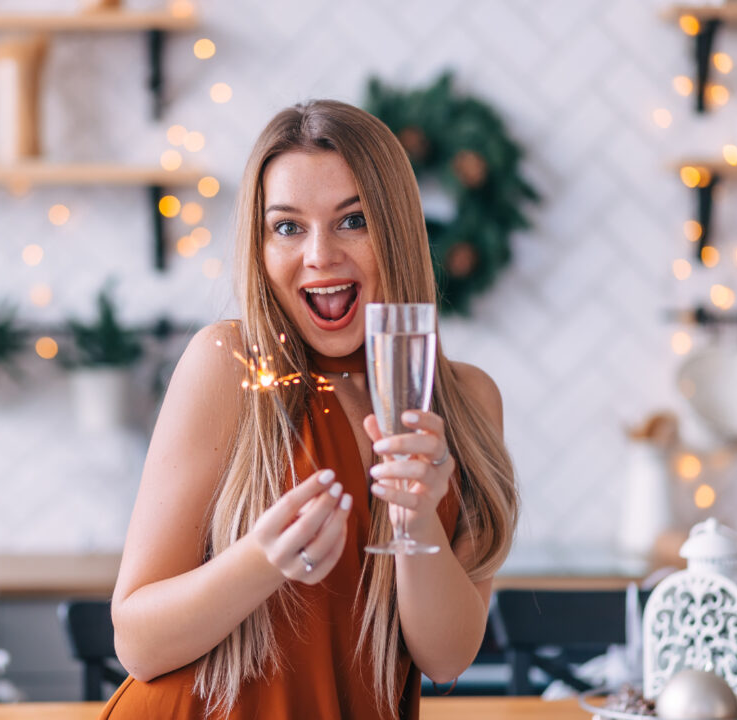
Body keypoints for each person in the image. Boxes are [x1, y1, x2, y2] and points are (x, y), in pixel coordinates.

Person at [99, 99, 518, 720]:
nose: (319, 255)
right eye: (288, 227)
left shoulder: (464, 404)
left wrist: (419, 517)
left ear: (395, 230)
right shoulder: (229, 365)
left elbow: (446, 657)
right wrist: (263, 560)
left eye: (352, 221)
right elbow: (136, 641)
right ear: (261, 247)